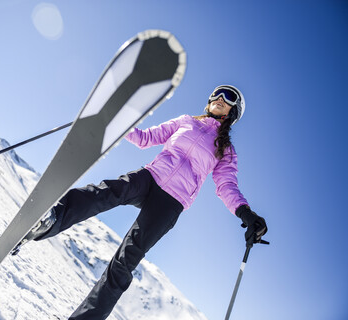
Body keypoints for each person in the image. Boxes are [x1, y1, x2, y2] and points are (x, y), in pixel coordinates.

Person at [15, 84, 268, 320]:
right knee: (107, 191)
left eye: (229, 98)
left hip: (171, 202)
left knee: (125, 261)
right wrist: (118, 123)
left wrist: (245, 213)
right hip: (151, 176)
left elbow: (226, 185)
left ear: (234, 111)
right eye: (219, 94)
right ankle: (51, 219)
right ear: (210, 100)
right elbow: (145, 138)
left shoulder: (225, 150)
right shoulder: (185, 122)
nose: (222, 99)